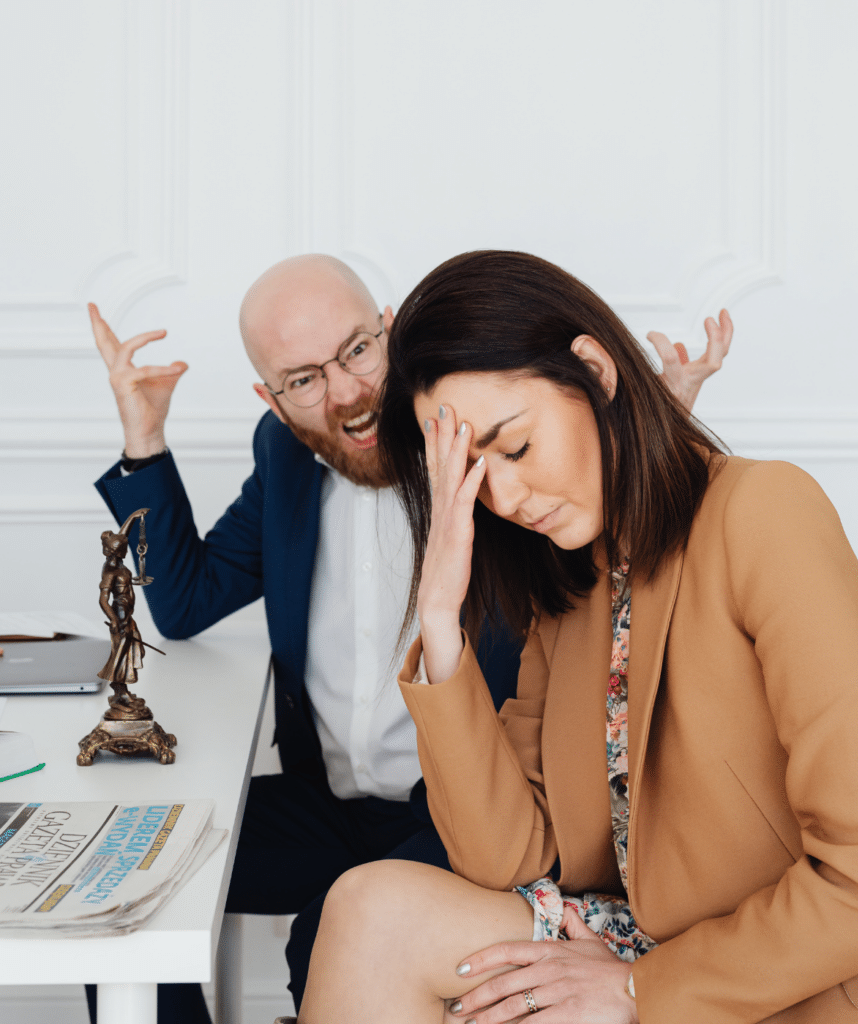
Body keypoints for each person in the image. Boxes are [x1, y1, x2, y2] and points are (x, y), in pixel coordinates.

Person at [88, 254, 729, 1023]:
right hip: (325, 803)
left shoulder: (490, 461)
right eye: (302, 379)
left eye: (357, 350)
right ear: (273, 399)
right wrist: (145, 438)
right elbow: (187, 601)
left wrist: (646, 418)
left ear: (389, 331)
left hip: (458, 813)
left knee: (327, 935)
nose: (348, 392)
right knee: (119, 886)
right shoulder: (283, 458)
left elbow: (605, 533)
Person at [298, 250, 858, 1024]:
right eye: (472, 474)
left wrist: (640, 989)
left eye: (515, 447)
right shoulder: (572, 585)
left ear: (595, 371)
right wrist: (439, 621)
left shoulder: (765, 515)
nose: (505, 497)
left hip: (782, 977)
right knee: (370, 909)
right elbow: (509, 859)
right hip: (637, 943)